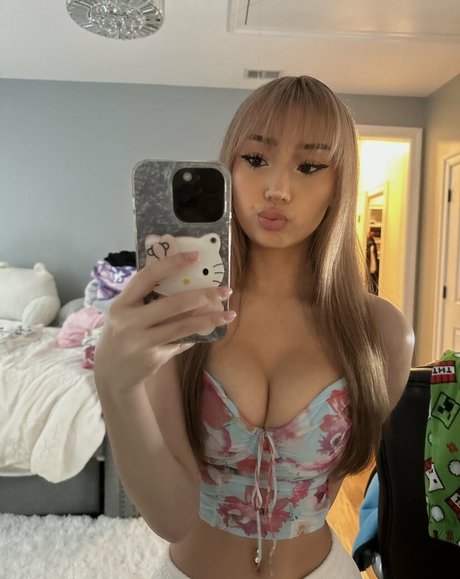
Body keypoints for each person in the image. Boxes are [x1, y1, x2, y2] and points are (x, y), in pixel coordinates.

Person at [94, 76, 414, 578]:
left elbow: (342, 485)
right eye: (256, 158)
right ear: (229, 168)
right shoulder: (185, 315)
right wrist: (116, 384)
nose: (278, 189)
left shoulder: (382, 333)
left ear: (339, 184)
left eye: (309, 166)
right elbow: (171, 518)